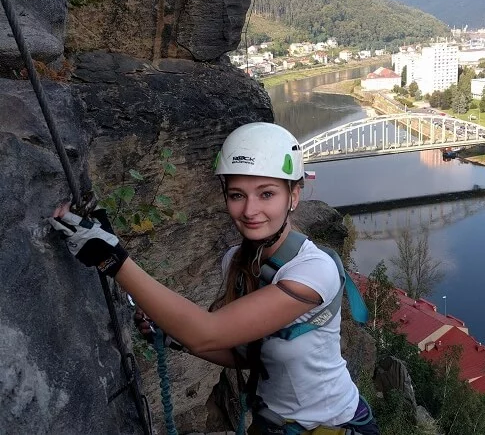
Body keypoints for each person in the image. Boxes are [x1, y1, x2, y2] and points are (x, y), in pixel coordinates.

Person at [50, 122, 379, 435]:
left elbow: (208, 333)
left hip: (334, 426)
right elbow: (247, 354)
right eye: (237, 195)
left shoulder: (313, 271)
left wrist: (114, 260)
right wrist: (172, 336)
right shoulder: (235, 263)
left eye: (266, 194)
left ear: (293, 196)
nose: (250, 210)